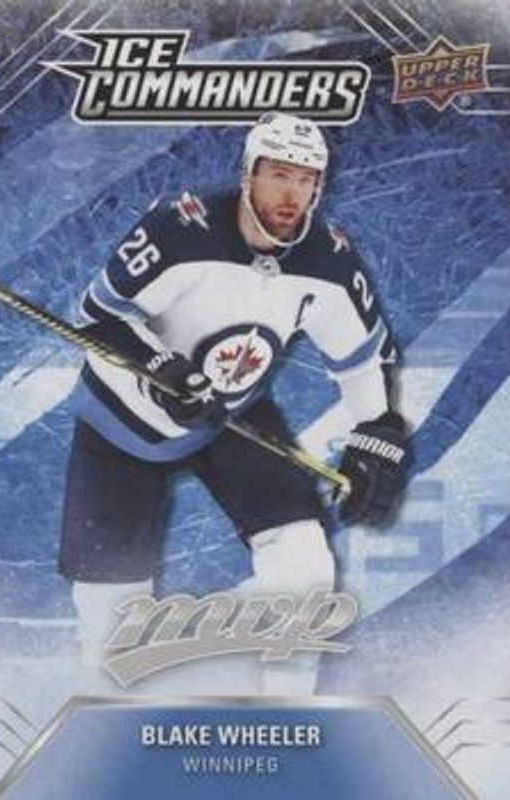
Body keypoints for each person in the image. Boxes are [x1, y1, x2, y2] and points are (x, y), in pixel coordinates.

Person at [59, 112, 410, 693]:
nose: (291, 194)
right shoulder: (180, 227)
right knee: (109, 617)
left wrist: (377, 433)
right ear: (249, 174)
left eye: (305, 179)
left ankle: (285, 710)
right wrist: (158, 368)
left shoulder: (329, 260)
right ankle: (112, 721)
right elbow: (98, 317)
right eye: (279, 175)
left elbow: (360, 361)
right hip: (121, 421)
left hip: (230, 415)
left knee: (305, 567)